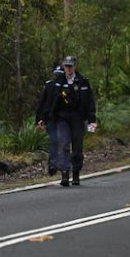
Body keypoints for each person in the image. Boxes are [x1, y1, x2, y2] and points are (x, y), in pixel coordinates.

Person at [38, 55, 97, 186]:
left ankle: (76, 173)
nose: (68, 69)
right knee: (63, 143)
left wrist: (92, 120)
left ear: (75, 67)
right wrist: (42, 118)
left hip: (77, 117)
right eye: (66, 66)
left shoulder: (82, 82)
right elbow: (48, 102)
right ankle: (65, 172)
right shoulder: (57, 82)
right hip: (62, 117)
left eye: (70, 66)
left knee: (77, 146)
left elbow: (90, 102)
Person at [35, 64, 64, 176]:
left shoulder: (67, 87)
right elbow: (41, 104)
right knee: (55, 141)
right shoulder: (49, 86)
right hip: (51, 119)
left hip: (63, 119)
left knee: (62, 141)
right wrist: (39, 119)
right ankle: (53, 165)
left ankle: (62, 164)